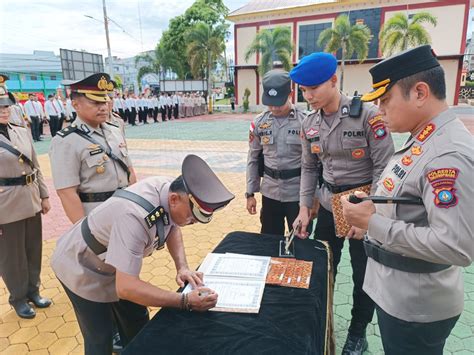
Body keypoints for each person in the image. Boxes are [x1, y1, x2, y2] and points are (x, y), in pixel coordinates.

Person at [341, 45, 474, 355]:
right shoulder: (423, 137)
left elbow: (455, 246)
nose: (379, 111)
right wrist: (373, 212)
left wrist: (372, 223)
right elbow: (413, 205)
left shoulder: (448, 154)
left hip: (416, 307)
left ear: (419, 93)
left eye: (386, 101)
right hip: (398, 293)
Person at [51, 154, 234, 354]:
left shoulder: (168, 190)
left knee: (137, 320)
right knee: (100, 336)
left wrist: (182, 267)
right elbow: (127, 287)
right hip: (81, 265)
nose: (194, 222)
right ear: (174, 199)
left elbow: (173, 225)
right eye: (193, 217)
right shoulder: (134, 217)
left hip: (115, 263)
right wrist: (184, 301)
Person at [290, 52, 395, 354]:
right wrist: (303, 208)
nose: (308, 96)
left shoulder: (367, 115)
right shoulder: (309, 123)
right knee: (322, 269)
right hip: (326, 205)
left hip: (362, 205)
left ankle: (357, 334)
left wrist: (370, 210)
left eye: (313, 89)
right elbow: (309, 168)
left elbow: (383, 166)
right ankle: (320, 324)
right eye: (304, 90)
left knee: (364, 276)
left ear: (334, 81)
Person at [49, 73, 136, 223]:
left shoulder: (114, 130)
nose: (103, 108)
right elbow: (67, 192)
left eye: (104, 102)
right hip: (97, 217)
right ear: (76, 105)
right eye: (95, 103)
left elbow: (129, 171)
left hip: (126, 210)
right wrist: (83, 232)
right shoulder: (66, 141)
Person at [0, 75, 52, 319]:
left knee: (33, 248)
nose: (4, 110)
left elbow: (36, 166)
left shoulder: (21, 132)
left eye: (6, 105)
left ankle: (33, 290)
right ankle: (18, 297)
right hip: (5, 205)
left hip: (30, 200)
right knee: (12, 255)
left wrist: (44, 195)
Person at [246, 69, 308, 236]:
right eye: (269, 102)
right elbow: (252, 158)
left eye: (278, 102)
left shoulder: (305, 121)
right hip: (270, 192)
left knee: (299, 240)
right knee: (269, 239)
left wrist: (313, 197)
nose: (273, 107)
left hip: (297, 193)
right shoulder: (259, 123)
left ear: (290, 94)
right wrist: (250, 193)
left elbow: (315, 163)